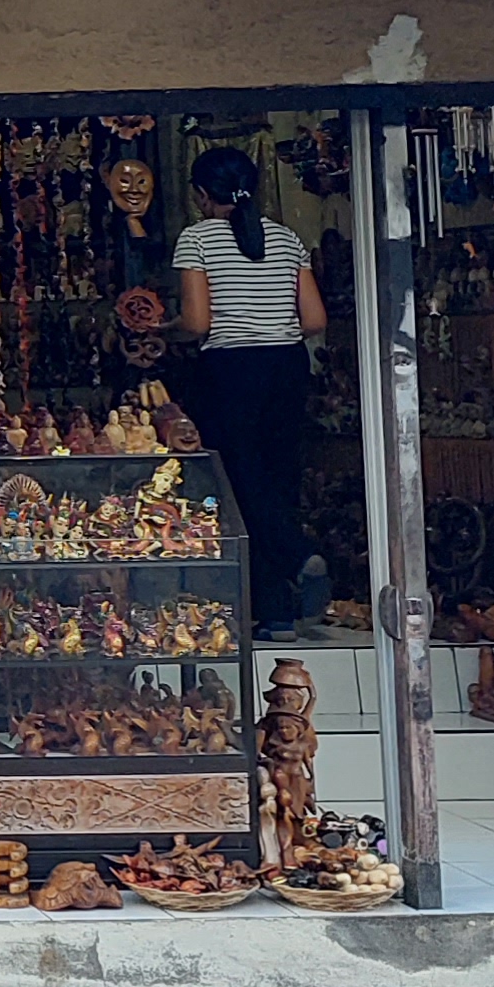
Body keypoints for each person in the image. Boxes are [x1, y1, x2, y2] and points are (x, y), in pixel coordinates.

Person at [173, 146, 326, 634]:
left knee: (238, 482)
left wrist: (165, 330)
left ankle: (297, 554)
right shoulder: (286, 238)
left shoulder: (197, 239)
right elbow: (314, 320)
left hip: (231, 368)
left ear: (201, 195)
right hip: (287, 366)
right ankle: (276, 613)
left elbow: (197, 323)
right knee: (276, 480)